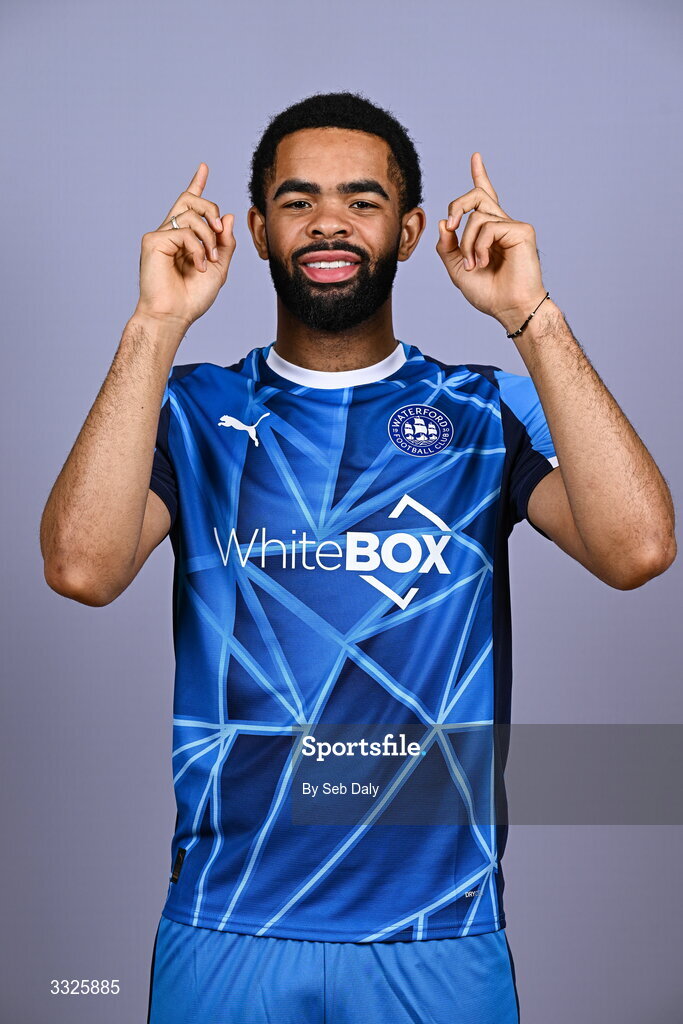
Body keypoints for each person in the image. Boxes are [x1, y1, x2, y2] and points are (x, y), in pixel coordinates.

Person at [39, 91, 676, 1023]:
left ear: (410, 230)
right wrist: (154, 323)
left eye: (361, 200)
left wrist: (530, 311)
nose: (327, 220)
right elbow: (82, 569)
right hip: (228, 921)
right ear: (255, 231)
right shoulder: (184, 407)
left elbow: (638, 549)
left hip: (436, 933)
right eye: (297, 201)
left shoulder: (483, 409)